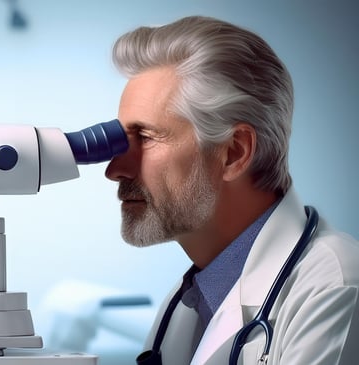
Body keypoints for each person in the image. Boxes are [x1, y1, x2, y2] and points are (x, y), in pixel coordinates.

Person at [105, 16, 359, 365]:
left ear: (234, 153)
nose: (114, 170)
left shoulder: (334, 287)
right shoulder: (186, 304)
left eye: (145, 138)